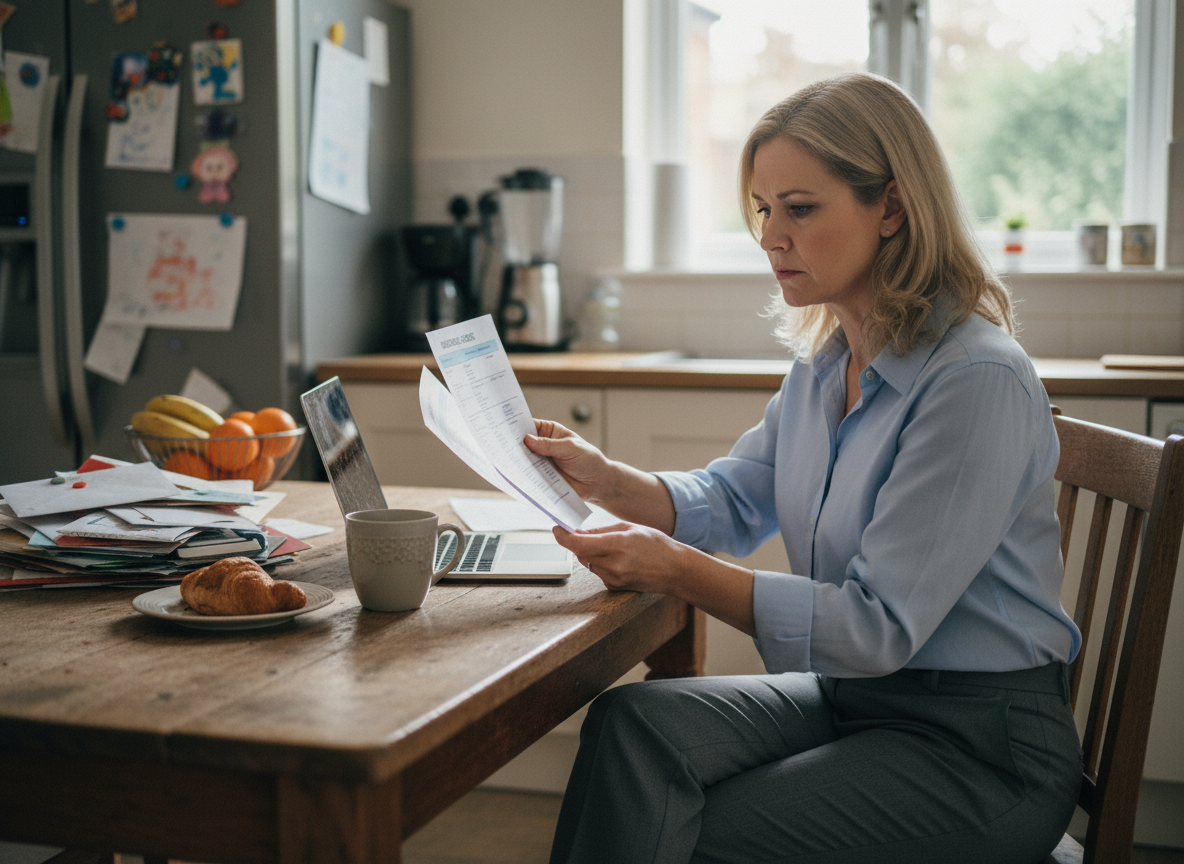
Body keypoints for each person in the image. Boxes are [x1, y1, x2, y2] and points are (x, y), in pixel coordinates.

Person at [524, 73, 1083, 864]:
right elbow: (730, 499)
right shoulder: (829, 363)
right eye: (762, 208)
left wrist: (678, 570)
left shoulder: (974, 380)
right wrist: (605, 477)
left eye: (801, 208)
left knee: (685, 830)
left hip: (980, 752)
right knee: (633, 726)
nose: (770, 236)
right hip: (860, 703)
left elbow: (876, 627)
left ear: (890, 207)